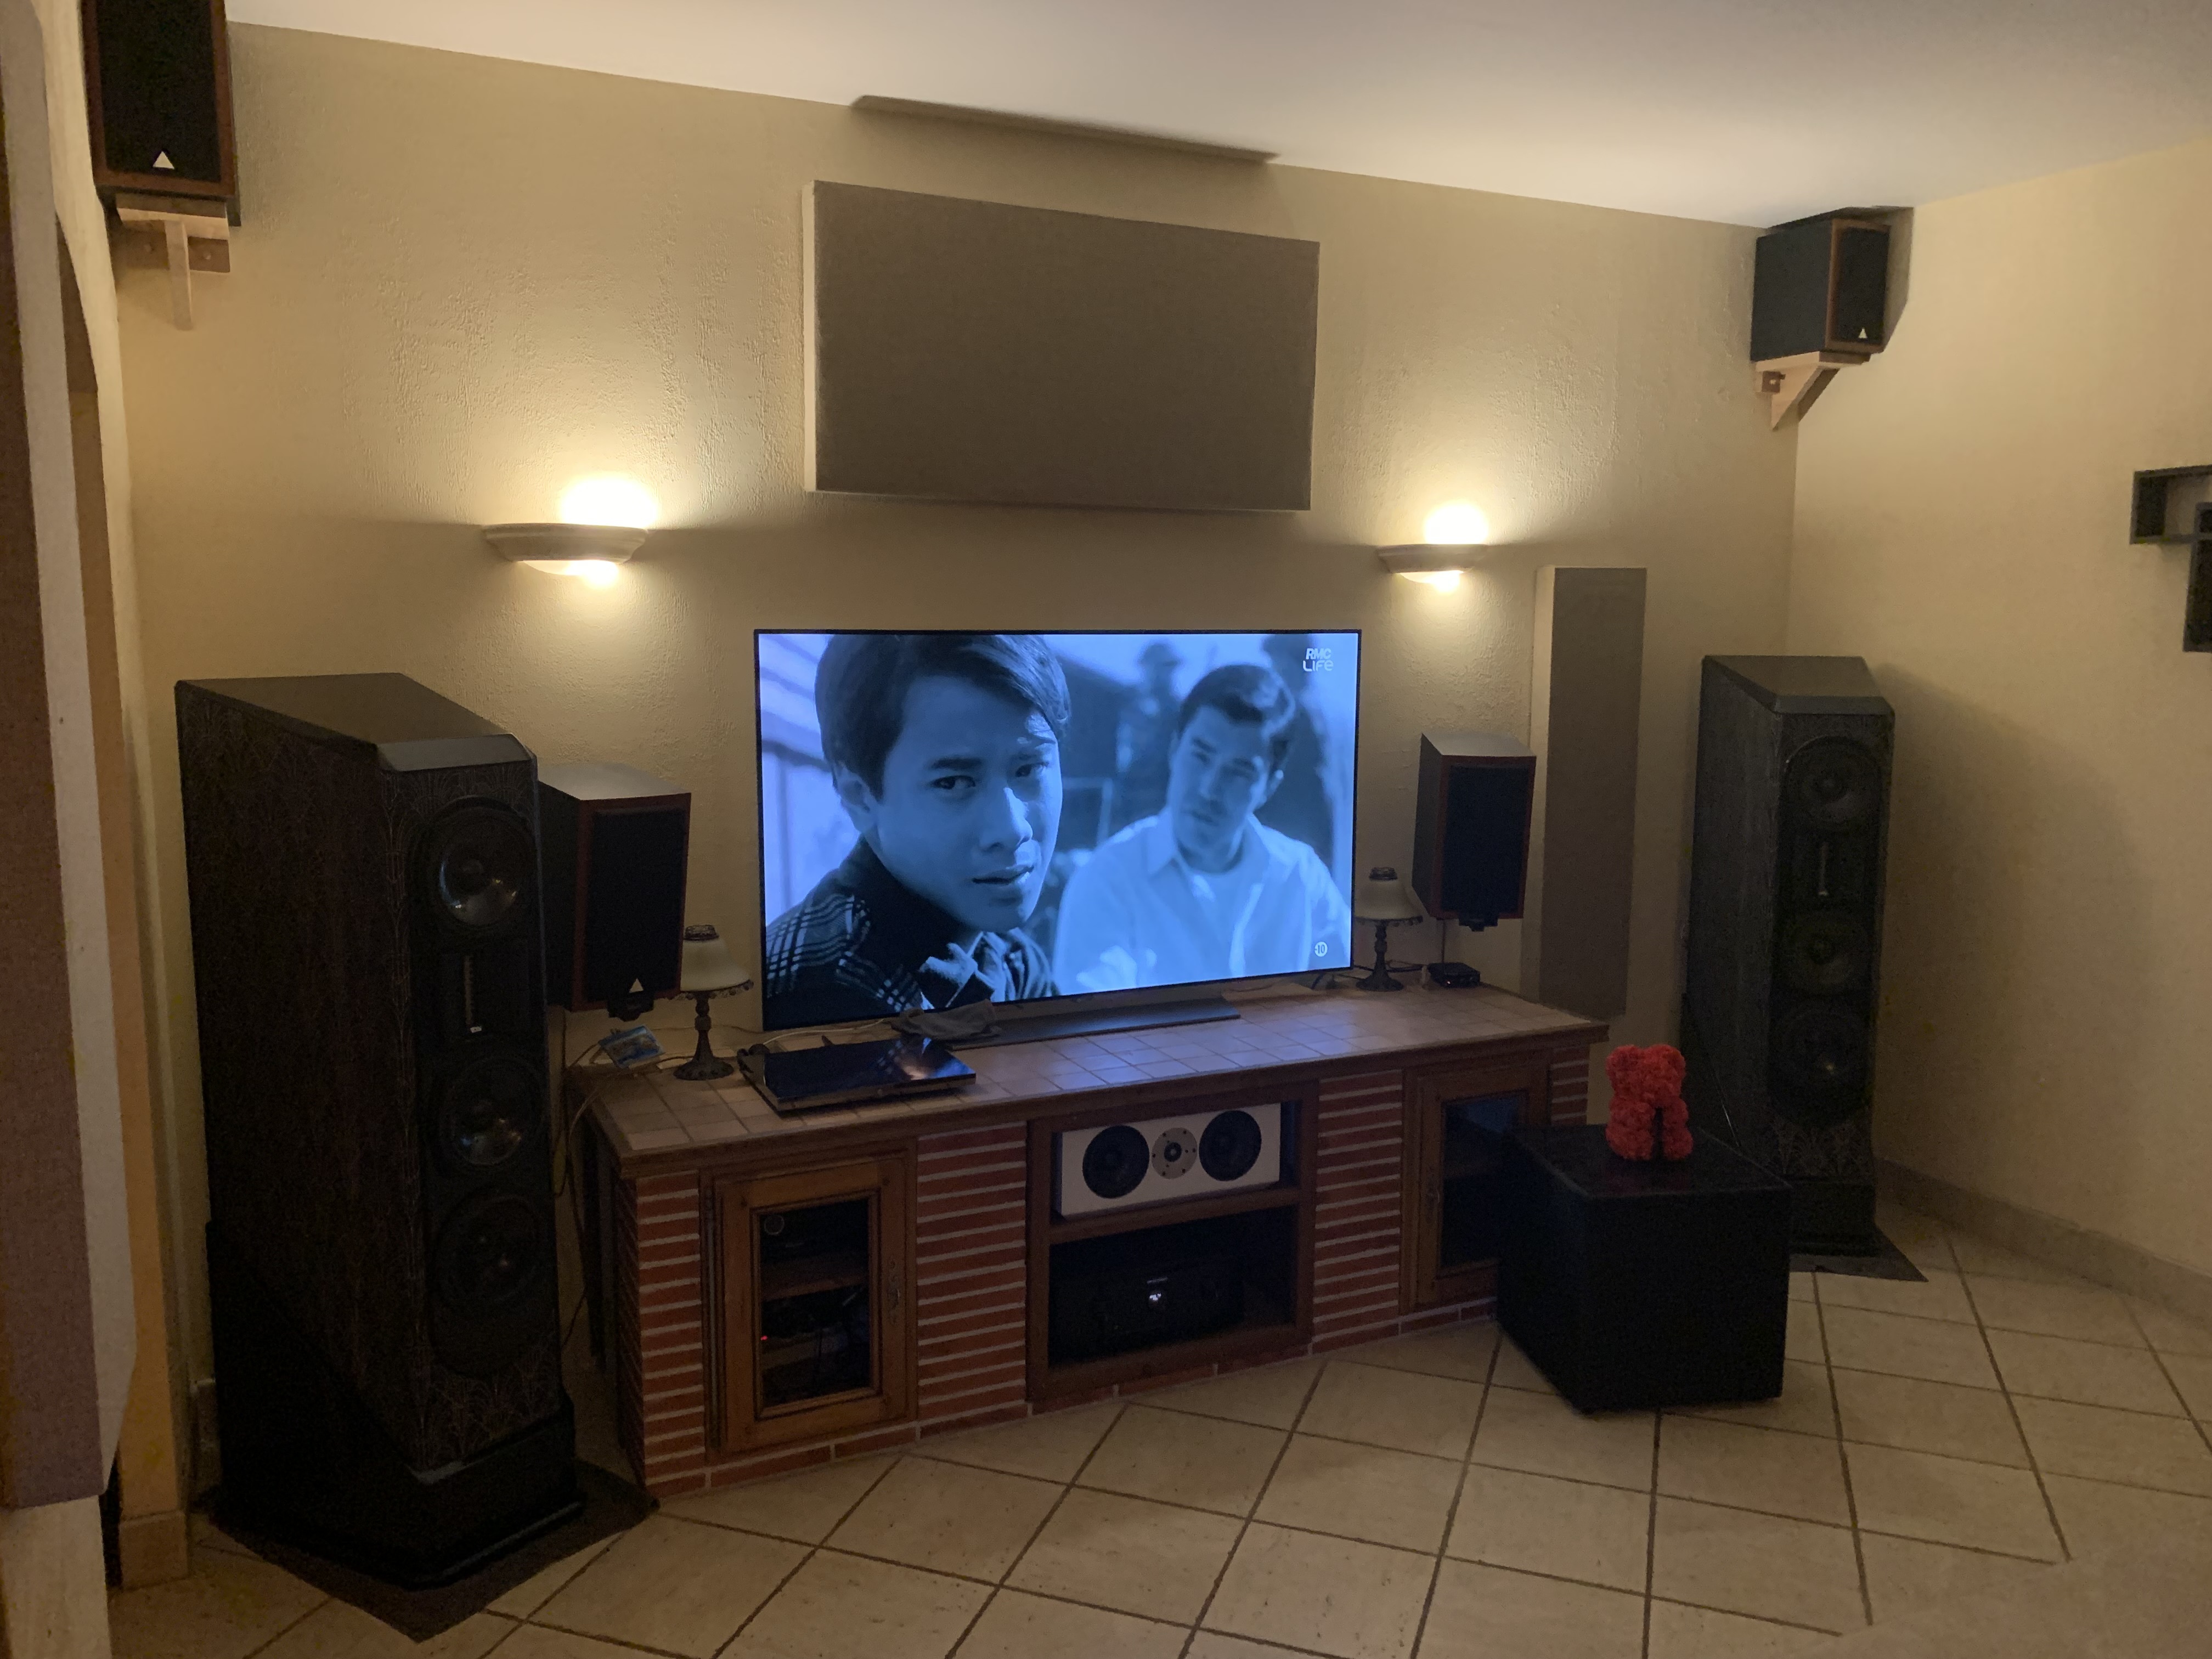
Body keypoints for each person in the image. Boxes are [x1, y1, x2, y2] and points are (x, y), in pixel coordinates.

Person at [763, 633, 1068, 1027]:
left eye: (1028, 769)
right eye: (953, 783)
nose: (1011, 829)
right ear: (860, 796)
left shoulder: (1012, 957)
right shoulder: (829, 993)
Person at [1052, 663, 1351, 993]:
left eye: (1239, 771)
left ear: (1268, 787)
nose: (1209, 789)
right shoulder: (1108, 879)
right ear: (1174, 750)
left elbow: (1346, 992)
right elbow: (1099, 1017)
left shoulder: (1303, 878)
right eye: (1200, 756)